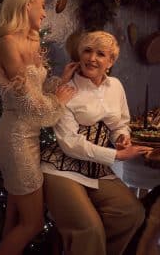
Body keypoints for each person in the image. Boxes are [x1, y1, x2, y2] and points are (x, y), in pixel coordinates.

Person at [0, 0, 78, 255]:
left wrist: (60, 81)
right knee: (33, 223)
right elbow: (29, 107)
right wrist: (59, 102)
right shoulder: (6, 43)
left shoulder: (34, 39)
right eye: (41, 5)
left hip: (30, 137)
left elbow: (36, 88)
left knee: (15, 217)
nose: (45, 13)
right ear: (27, 4)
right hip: (16, 139)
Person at [41, 30, 153, 255]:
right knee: (89, 229)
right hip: (61, 169)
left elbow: (121, 122)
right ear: (79, 54)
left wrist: (122, 138)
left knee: (132, 214)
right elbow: (70, 143)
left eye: (101, 54)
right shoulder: (66, 88)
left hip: (96, 170)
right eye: (87, 51)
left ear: (110, 61)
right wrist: (115, 155)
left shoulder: (116, 86)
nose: (92, 58)